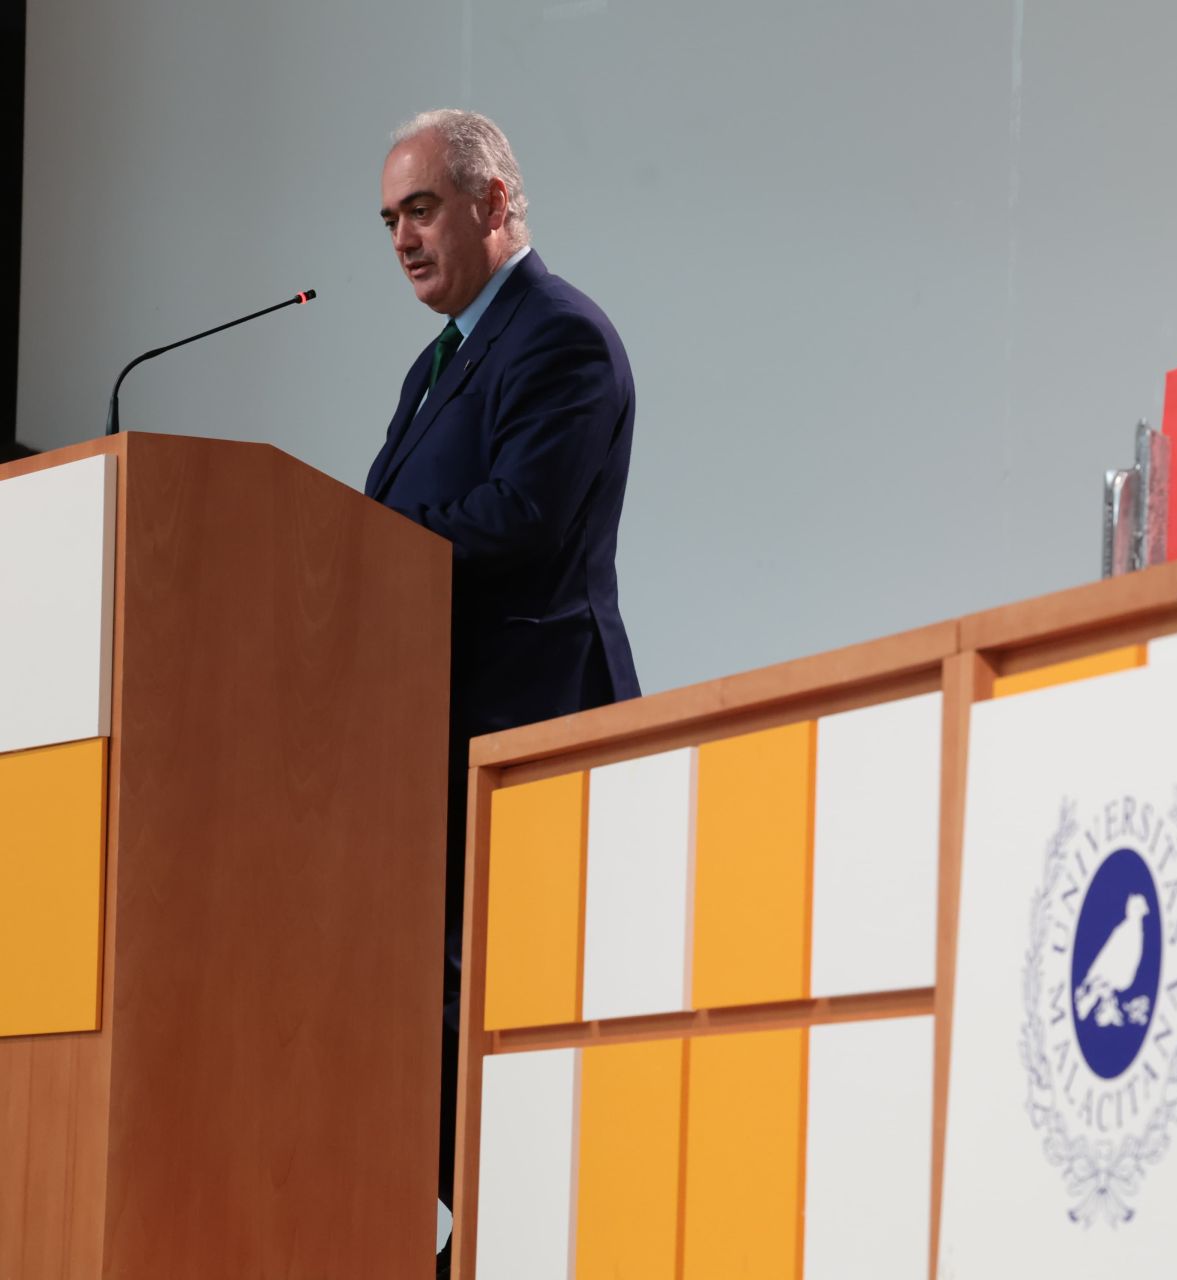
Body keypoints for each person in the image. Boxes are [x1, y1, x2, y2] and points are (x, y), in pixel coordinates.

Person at [362, 108, 640, 1263]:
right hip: (435, 727)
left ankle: (523, 1204)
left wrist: (363, 544)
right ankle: (497, 1203)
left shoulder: (559, 335)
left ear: (494, 203)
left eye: (421, 208)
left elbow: (520, 518)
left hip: (527, 729)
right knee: (389, 982)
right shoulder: (437, 364)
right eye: (389, 220)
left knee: (514, 1008)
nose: (403, 239)